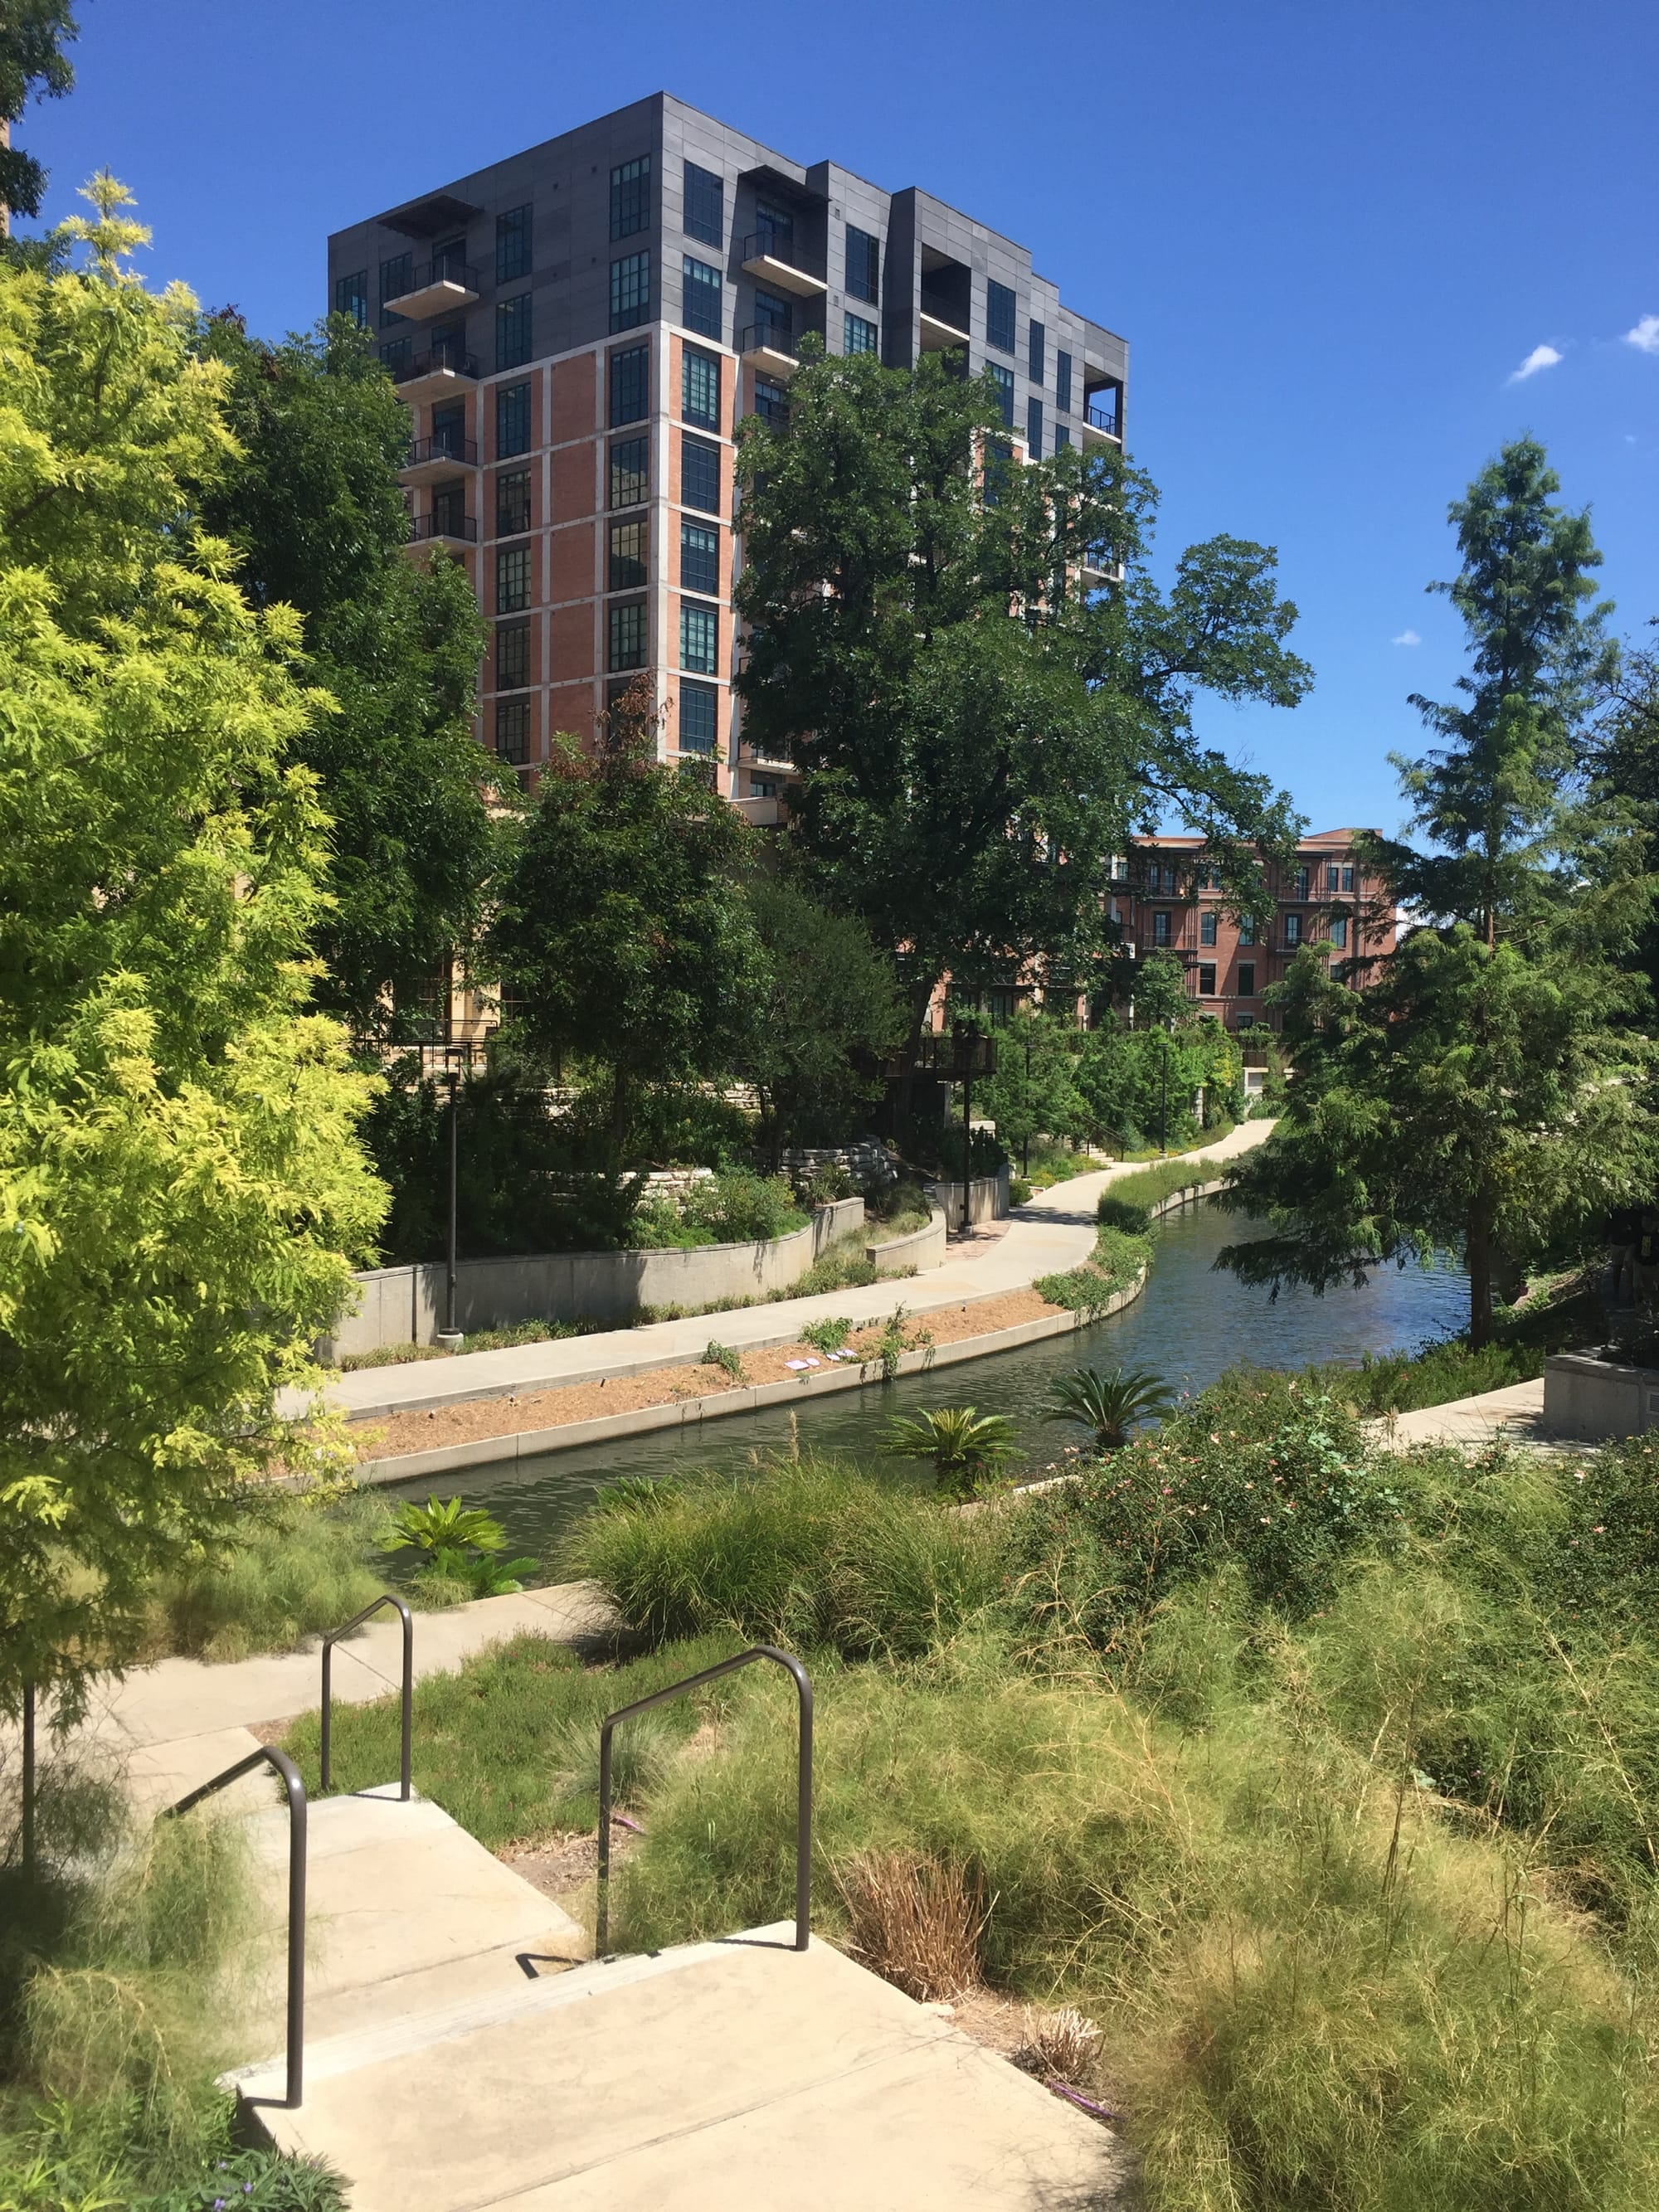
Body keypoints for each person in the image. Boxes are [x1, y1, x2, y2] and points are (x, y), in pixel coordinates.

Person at [1609, 1201, 1640, 1303]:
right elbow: (1608, 1223)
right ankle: (1616, 1291)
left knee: (1629, 1267)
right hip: (1616, 1243)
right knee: (1617, 1268)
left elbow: (1638, 1226)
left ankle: (1631, 1292)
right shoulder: (1614, 1209)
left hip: (1630, 1243)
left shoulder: (1634, 1211)